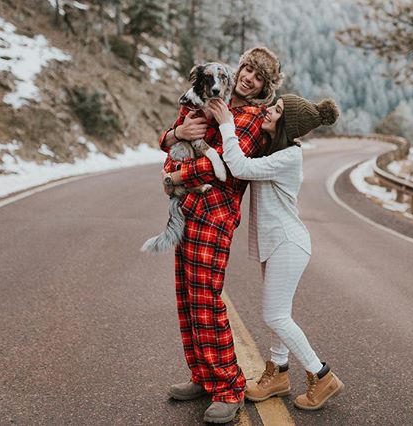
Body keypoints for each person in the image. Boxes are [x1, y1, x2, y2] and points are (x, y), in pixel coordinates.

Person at [158, 46, 283, 424]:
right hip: (187, 210)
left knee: (207, 299)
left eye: (258, 77)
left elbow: (226, 168)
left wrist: (176, 177)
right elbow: (172, 141)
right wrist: (174, 133)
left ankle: (229, 388)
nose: (248, 78)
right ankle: (203, 375)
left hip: (215, 215)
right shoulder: (213, 97)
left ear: (264, 87)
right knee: (186, 298)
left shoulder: (250, 117)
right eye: (246, 69)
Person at [206, 93, 345, 410]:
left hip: (287, 243)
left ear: (286, 124)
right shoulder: (276, 150)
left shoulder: (289, 156)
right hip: (278, 243)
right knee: (279, 314)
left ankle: (322, 375)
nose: (269, 111)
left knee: (275, 315)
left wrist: (227, 125)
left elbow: (239, 166)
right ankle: (278, 373)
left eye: (277, 110)